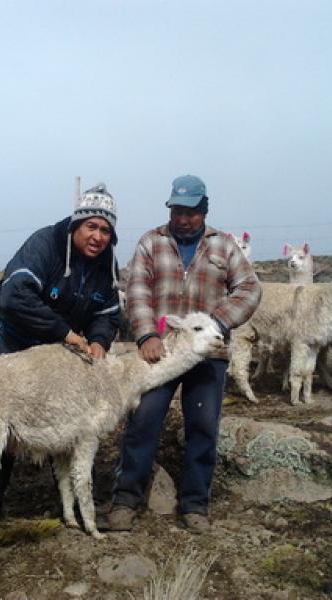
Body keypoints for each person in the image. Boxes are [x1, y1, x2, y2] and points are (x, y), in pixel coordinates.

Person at [0, 183, 122, 544]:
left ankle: (65, 501)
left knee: (59, 414)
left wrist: (98, 341)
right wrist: (66, 333)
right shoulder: (45, 244)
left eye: (106, 230)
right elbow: (15, 294)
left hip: (54, 341)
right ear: (76, 225)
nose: (98, 237)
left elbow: (109, 311)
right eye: (91, 227)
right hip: (9, 331)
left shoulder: (105, 264)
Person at [108, 174, 261, 533]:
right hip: (160, 352)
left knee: (203, 425)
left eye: (191, 211)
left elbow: (250, 289)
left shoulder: (223, 246)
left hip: (208, 353)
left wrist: (216, 325)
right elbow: (137, 289)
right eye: (177, 210)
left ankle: (194, 504)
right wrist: (146, 333)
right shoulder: (152, 242)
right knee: (143, 420)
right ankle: (126, 499)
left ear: (203, 209)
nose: (183, 218)